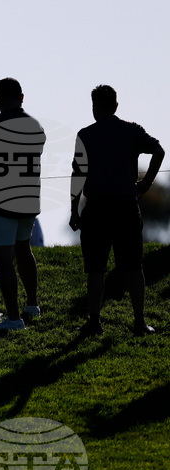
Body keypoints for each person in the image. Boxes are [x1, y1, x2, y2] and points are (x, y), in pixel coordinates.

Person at [70, 85, 164, 336]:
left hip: (97, 209)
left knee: (95, 269)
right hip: (126, 207)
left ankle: (94, 321)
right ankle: (139, 321)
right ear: (115, 105)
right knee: (133, 266)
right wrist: (145, 184)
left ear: (94, 107)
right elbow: (159, 151)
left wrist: (73, 209)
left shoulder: (86, 135)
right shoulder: (131, 130)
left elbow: (78, 175)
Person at [0, 78, 46, 332]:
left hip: (0, 201)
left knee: (4, 260)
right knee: (24, 250)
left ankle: (14, 319)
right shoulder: (35, 127)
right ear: (22, 97)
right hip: (28, 200)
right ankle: (32, 305)